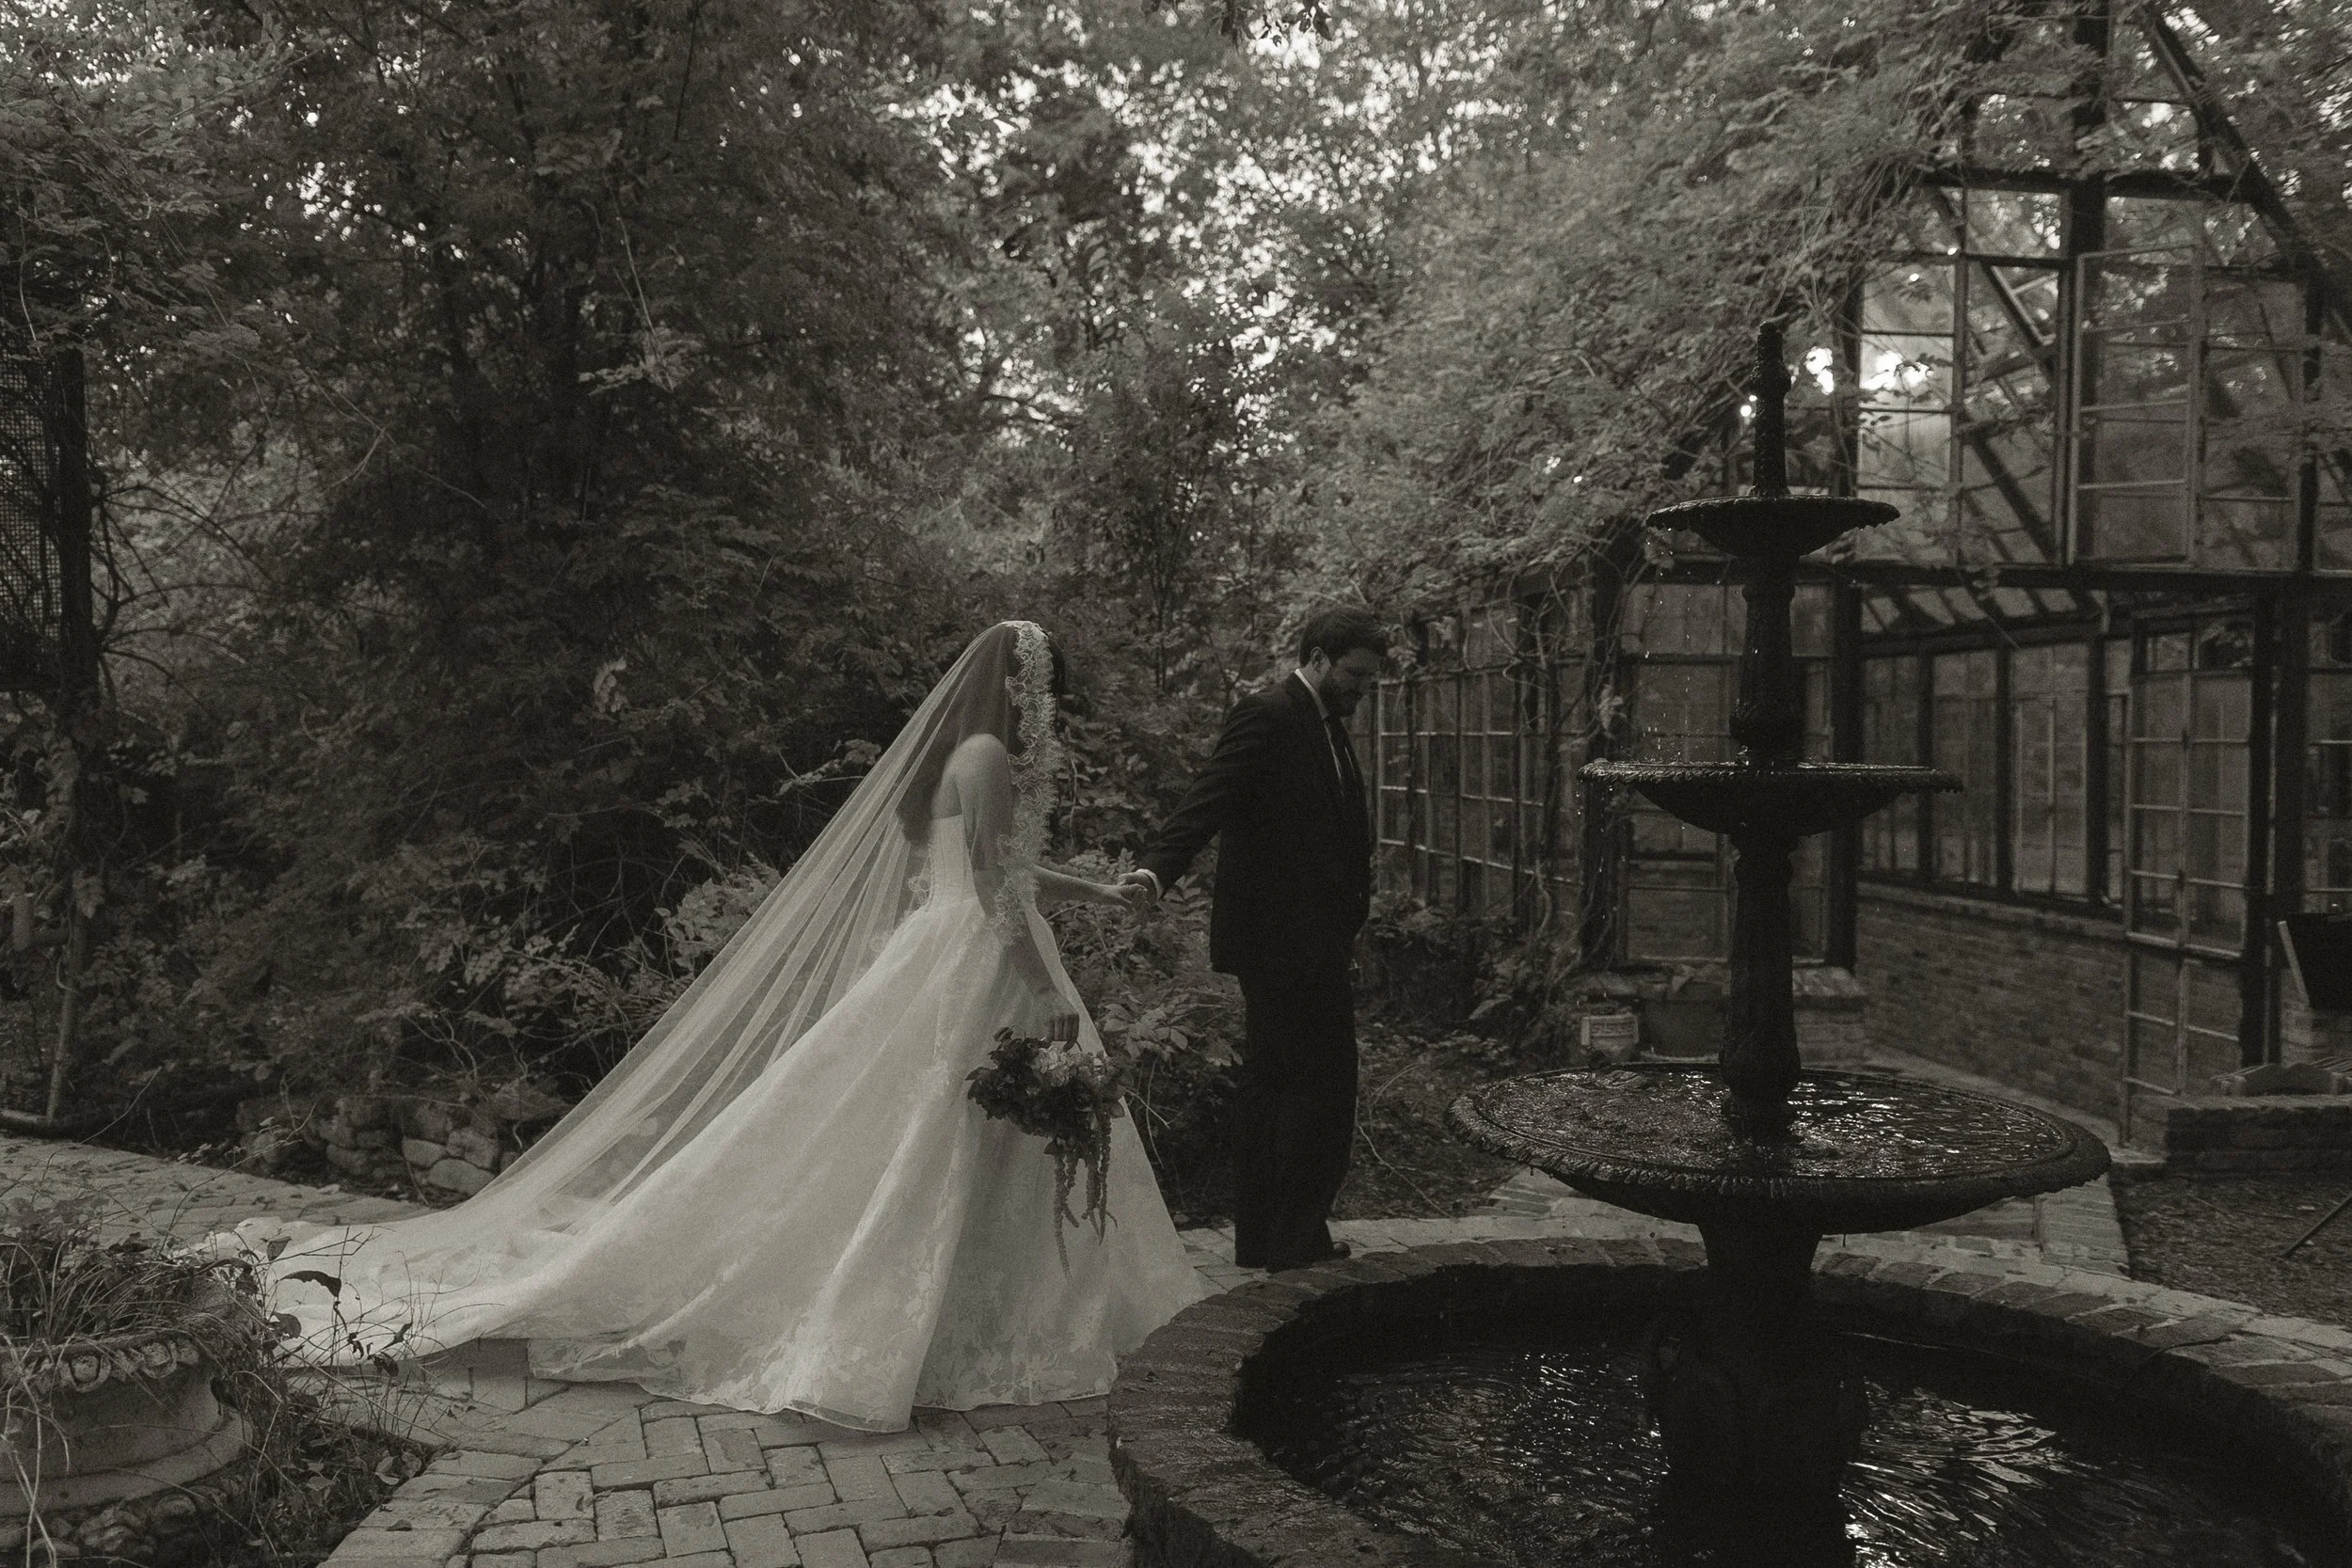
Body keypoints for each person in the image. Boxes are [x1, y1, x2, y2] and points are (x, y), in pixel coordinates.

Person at [221, 622, 1212, 1430]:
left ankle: (993, 1310)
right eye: (1049, 694)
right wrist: (1041, 983)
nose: (1052, 714)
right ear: (1023, 687)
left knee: (955, 1141)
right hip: (980, 958)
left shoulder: (967, 753)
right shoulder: (991, 751)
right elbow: (996, 884)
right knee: (939, 1141)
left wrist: (1100, 890)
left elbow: (999, 866)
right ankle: (936, 1322)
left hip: (958, 947)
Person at [1120, 606, 1388, 1272]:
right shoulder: (1269, 714)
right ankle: (1292, 1236)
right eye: (1355, 673)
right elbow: (1208, 798)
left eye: (1368, 677)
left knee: (1285, 1083)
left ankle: (1273, 1235)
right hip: (1279, 944)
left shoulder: (1328, 723)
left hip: (1315, 942)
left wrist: (1350, 925)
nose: (1362, 688)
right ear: (1319, 658)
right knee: (1314, 1087)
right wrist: (1157, 869)